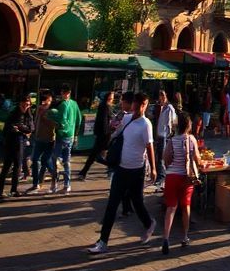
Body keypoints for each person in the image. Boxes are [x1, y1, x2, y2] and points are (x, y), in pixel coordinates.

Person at [87, 92, 157, 254]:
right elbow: (114, 134)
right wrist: (106, 145)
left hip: (137, 171)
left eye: (143, 105)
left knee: (137, 203)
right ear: (133, 104)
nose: (140, 107)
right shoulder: (127, 119)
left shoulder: (146, 124)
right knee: (112, 205)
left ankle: (149, 224)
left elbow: (150, 146)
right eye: (138, 104)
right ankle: (103, 241)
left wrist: (153, 168)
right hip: (121, 169)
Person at [160, 113, 202, 255]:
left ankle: (166, 238)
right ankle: (184, 236)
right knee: (186, 207)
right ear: (189, 125)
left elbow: (165, 158)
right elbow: (197, 159)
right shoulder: (191, 139)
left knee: (170, 208)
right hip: (186, 177)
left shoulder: (172, 140)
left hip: (172, 176)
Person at [47, 84, 82, 194]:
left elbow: (60, 121)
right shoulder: (74, 104)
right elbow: (79, 120)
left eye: (63, 92)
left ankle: (54, 185)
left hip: (61, 136)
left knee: (54, 159)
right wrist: (75, 134)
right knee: (67, 161)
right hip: (70, 136)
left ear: (64, 93)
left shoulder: (62, 105)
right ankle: (67, 185)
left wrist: (55, 123)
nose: (63, 95)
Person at [0, 95, 33, 200]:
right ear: (20, 103)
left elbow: (31, 128)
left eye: (27, 104)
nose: (25, 106)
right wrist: (18, 129)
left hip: (20, 143)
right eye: (24, 104)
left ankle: (14, 189)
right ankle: (1, 191)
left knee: (18, 167)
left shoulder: (28, 115)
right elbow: (7, 128)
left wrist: (21, 128)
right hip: (10, 142)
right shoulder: (14, 113)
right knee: (6, 167)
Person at [26, 91, 57, 194]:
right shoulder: (39, 109)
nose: (44, 103)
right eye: (43, 100)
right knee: (35, 159)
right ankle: (36, 183)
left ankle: (54, 175)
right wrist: (33, 131)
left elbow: (55, 125)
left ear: (50, 100)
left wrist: (45, 118)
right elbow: (36, 122)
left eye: (47, 100)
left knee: (45, 161)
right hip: (39, 139)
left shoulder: (53, 111)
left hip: (49, 140)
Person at [154, 90, 177, 190]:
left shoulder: (169, 108)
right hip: (159, 135)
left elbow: (172, 122)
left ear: (166, 96)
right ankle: (160, 177)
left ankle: (162, 178)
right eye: (160, 96)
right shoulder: (161, 107)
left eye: (163, 96)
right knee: (159, 157)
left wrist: (170, 133)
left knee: (162, 157)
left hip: (164, 135)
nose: (161, 98)